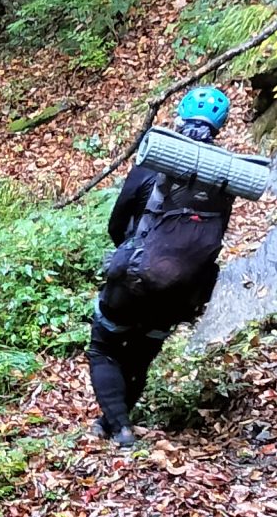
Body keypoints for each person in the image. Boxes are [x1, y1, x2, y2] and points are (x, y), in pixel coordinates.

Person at [88, 85, 235, 447]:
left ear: (181, 116)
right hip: (183, 291)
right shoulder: (225, 179)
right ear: (221, 125)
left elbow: (115, 223)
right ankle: (112, 423)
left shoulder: (155, 165)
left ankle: (120, 428)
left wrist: (134, 252)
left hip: (135, 277)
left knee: (103, 346)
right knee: (141, 353)